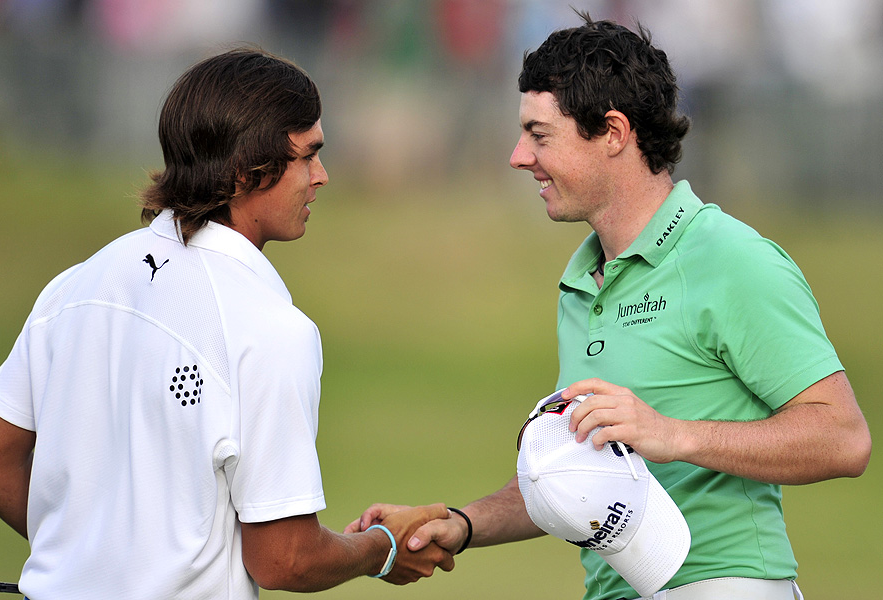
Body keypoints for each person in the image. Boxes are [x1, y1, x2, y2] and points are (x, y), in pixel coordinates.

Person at [348, 12, 872, 600]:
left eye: (539, 135)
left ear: (615, 133)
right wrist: (463, 523)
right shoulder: (581, 280)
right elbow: (589, 477)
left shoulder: (732, 259)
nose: (518, 156)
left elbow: (843, 438)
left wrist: (671, 435)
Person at [0, 47, 454, 599]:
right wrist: (383, 547)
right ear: (244, 170)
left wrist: (89, 556)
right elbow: (286, 560)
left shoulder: (74, 287)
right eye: (307, 156)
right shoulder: (271, 329)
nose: (321, 177)